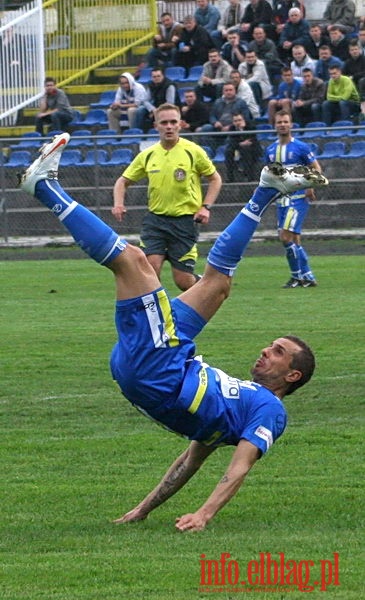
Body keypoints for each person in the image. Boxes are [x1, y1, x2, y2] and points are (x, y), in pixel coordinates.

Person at [18, 132, 328, 531]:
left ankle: (43, 186)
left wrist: (205, 513)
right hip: (173, 355)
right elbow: (187, 463)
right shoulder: (224, 419)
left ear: (292, 376)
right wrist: (144, 509)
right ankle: (267, 189)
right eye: (272, 345)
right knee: (217, 286)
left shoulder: (269, 411)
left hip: (159, 370)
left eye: (279, 352)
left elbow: (239, 467)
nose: (266, 351)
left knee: (132, 261)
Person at [113, 104, 222, 291]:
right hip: (155, 221)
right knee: (150, 272)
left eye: (173, 122)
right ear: (156, 126)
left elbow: (215, 179)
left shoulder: (193, 151)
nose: (169, 126)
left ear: (181, 124)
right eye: (164, 122)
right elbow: (122, 182)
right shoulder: (148, 155)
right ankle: (159, 315)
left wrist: (206, 207)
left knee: (183, 281)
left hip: (185, 222)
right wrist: (118, 204)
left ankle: (208, 286)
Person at [265, 110, 324, 288]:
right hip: (281, 200)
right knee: (294, 239)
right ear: (275, 125)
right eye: (279, 122)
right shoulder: (270, 150)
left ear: (291, 125)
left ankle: (297, 277)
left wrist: (310, 186)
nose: (282, 124)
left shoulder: (301, 147)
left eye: (285, 122)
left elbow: (316, 168)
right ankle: (307, 276)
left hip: (297, 199)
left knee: (285, 237)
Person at [224, 112, 262, 181]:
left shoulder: (250, 126)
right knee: (228, 151)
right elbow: (231, 142)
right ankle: (230, 177)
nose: (238, 122)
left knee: (246, 150)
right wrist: (240, 144)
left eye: (239, 120)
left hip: (252, 148)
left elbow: (252, 140)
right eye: (235, 121)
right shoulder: (232, 128)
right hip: (238, 147)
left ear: (243, 120)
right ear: (233, 122)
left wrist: (243, 129)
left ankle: (250, 177)